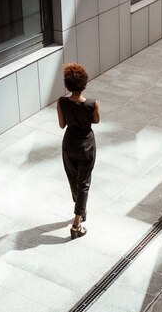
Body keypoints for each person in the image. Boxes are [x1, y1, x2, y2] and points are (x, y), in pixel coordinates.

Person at [57, 63, 100, 239]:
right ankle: (77, 223)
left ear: (67, 84)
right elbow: (96, 121)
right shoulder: (92, 104)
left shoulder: (62, 102)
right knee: (84, 183)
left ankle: (81, 209)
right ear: (84, 83)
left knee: (73, 179)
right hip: (86, 146)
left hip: (69, 145)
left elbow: (61, 125)